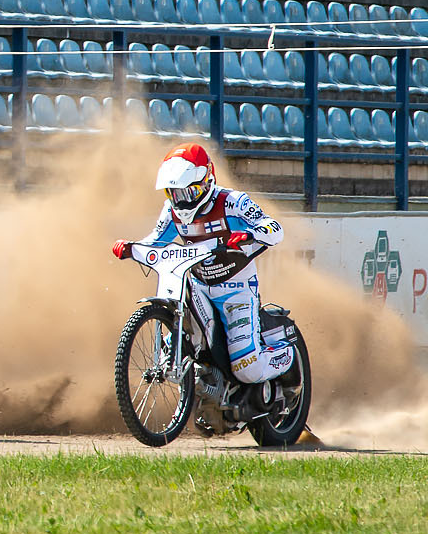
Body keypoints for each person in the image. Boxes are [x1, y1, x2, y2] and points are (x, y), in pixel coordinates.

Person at [110, 143, 293, 390]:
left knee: (247, 368)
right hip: (198, 286)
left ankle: (287, 357)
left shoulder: (233, 201)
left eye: (188, 192)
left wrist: (249, 235)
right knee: (183, 336)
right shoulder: (171, 211)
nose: (181, 201)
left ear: (207, 180)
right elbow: (155, 240)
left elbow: (274, 229)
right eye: (174, 193)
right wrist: (131, 247)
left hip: (236, 288)